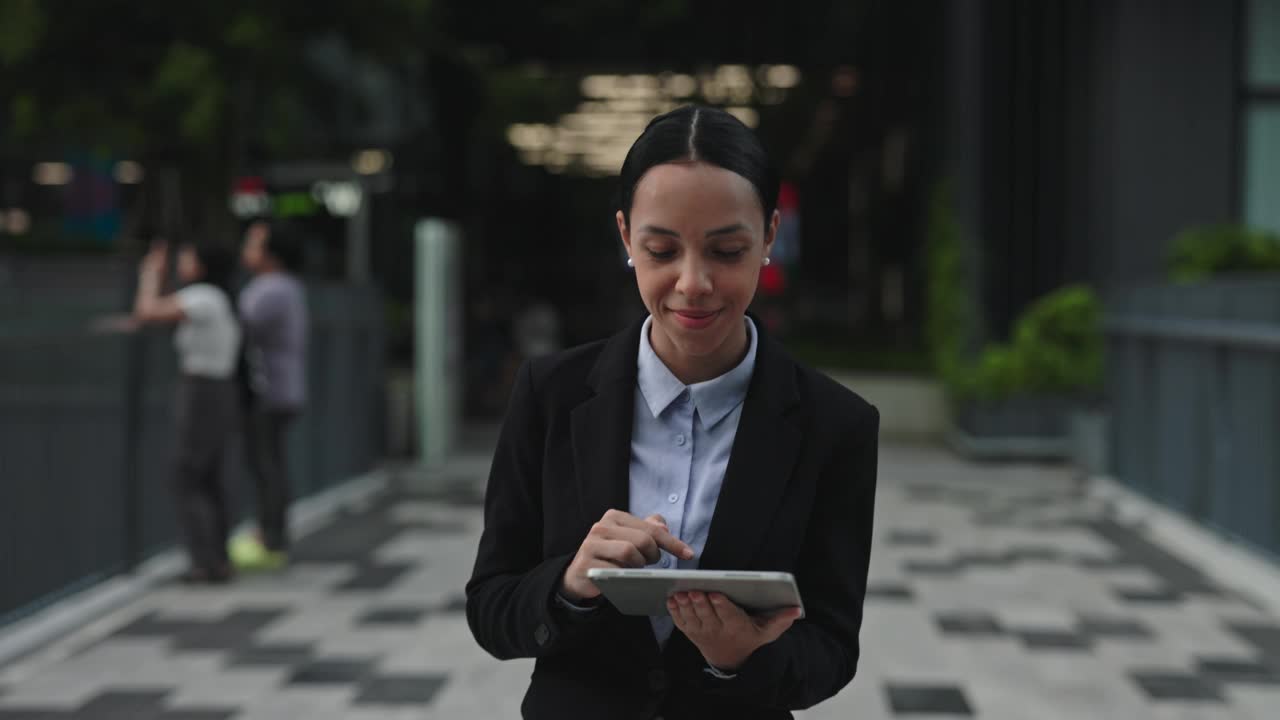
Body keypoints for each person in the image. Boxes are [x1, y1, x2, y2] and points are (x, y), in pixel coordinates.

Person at [465, 106, 880, 719]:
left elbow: (832, 647)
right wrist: (571, 585)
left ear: (768, 236)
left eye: (727, 251)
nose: (693, 283)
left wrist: (738, 658)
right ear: (626, 236)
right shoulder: (550, 394)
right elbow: (492, 608)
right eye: (662, 250)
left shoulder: (835, 424)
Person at [132, 240, 242, 584]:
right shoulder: (214, 298)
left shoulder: (204, 297)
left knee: (186, 476)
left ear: (203, 265)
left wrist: (149, 274)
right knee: (207, 477)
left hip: (202, 391)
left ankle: (204, 562)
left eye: (189, 255)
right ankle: (216, 558)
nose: (183, 259)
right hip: (218, 390)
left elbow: (147, 312)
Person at [229, 219, 308, 571]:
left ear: (271, 254)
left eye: (254, 244)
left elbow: (235, 323)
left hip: (268, 391)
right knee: (271, 462)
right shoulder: (287, 286)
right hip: (285, 388)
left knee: (265, 465)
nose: (247, 250)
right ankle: (273, 534)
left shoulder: (270, 288)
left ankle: (270, 537)